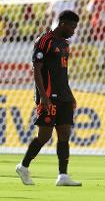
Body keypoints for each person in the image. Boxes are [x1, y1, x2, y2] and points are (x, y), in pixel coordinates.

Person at [15, 10, 81, 186]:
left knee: (65, 134)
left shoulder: (65, 44)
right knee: (44, 136)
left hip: (64, 96)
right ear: (63, 24)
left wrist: (70, 95)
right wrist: (43, 97)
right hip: (49, 96)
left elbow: (63, 74)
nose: (74, 31)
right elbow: (36, 69)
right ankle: (23, 166)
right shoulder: (45, 41)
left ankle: (63, 175)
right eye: (72, 27)